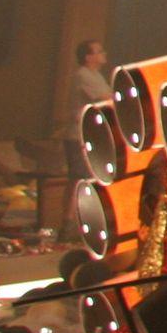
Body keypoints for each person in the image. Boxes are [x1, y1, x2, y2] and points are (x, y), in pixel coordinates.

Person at [61, 39, 109, 238]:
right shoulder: (83, 75)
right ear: (89, 57)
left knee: (86, 179)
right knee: (78, 179)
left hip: (91, 134)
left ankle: (79, 222)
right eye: (99, 51)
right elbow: (105, 98)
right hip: (78, 136)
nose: (103, 54)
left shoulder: (96, 75)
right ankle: (68, 224)